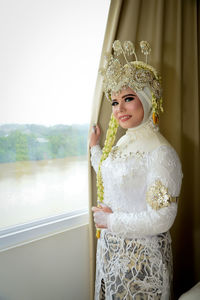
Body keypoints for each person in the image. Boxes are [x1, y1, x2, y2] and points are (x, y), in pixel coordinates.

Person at [89, 40, 183, 300]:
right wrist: (94, 149)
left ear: (146, 98)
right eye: (115, 102)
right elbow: (111, 172)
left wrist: (111, 222)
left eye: (128, 99)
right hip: (112, 256)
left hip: (142, 265)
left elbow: (163, 218)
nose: (119, 109)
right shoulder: (123, 141)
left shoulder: (161, 153)